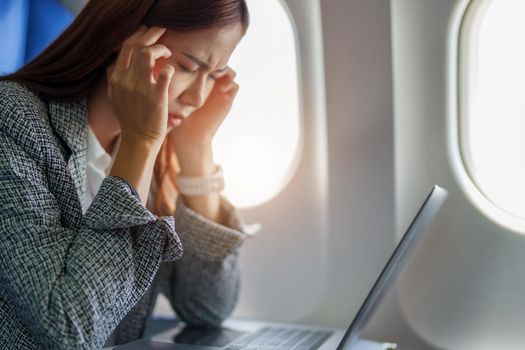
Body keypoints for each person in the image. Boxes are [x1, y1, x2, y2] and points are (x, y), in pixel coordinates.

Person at [0, 0, 251, 348]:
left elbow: (207, 306)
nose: (199, 97)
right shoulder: (12, 120)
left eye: (215, 75)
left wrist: (197, 152)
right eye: (188, 66)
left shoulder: (155, 150)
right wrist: (140, 142)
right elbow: (69, 329)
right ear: (126, 37)